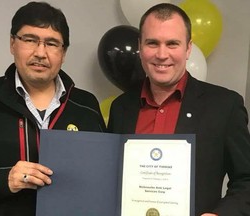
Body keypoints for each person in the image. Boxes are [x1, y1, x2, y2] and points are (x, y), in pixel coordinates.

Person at [0, 2, 106, 216]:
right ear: (12, 43)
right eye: (30, 40)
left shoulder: (86, 106)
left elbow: (102, 175)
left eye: (52, 43)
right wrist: (5, 178)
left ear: (63, 52)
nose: (40, 52)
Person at [107, 3, 250, 216]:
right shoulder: (121, 108)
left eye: (172, 43)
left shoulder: (224, 106)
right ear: (140, 46)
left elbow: (246, 180)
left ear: (188, 48)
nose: (162, 54)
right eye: (152, 43)